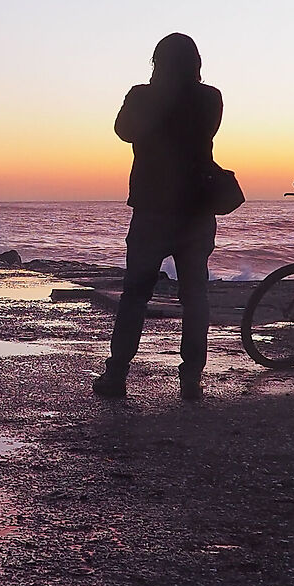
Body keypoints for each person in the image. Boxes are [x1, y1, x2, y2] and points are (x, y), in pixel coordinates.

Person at [93, 33, 222, 402]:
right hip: (196, 211)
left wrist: (153, 97)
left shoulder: (142, 96)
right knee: (195, 295)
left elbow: (123, 131)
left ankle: (117, 376)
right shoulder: (210, 97)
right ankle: (191, 380)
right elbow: (205, 132)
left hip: (152, 209)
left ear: (157, 62)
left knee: (135, 294)